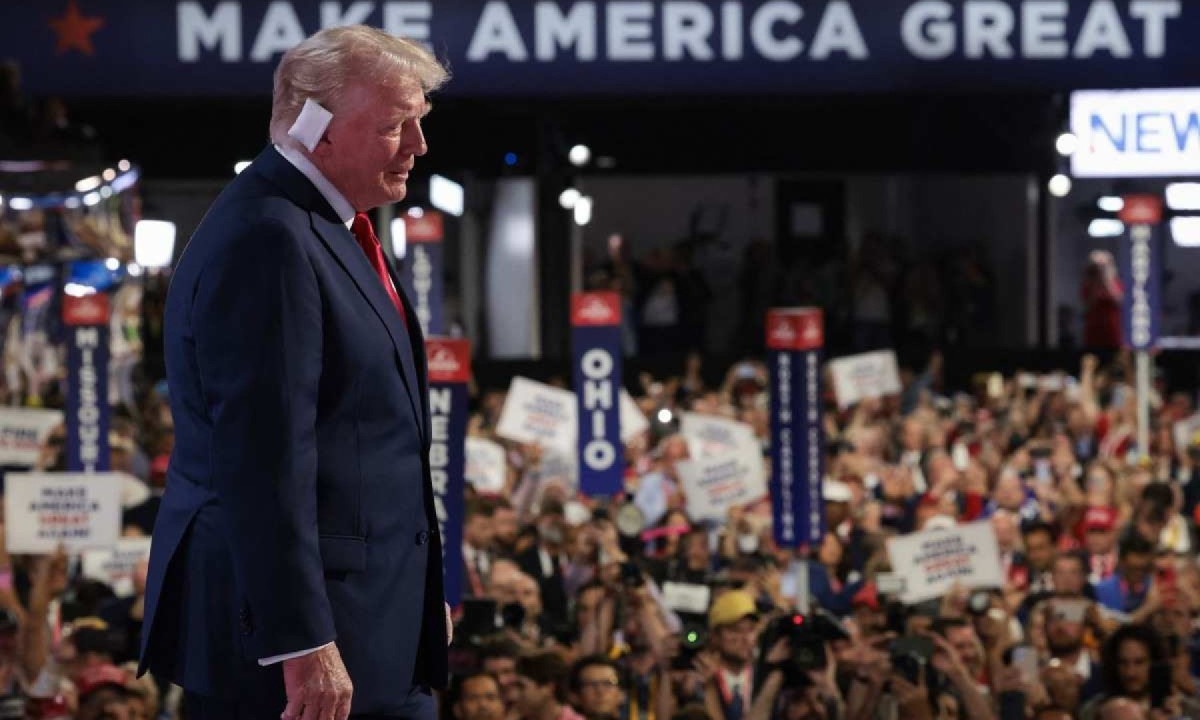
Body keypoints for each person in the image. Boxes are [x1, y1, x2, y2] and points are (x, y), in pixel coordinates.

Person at [139, 25, 452, 720]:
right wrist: (301, 642)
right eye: (398, 125)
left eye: (420, 123)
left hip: (370, 623)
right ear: (317, 127)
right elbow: (263, 459)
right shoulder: (271, 238)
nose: (419, 147)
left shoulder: (323, 224)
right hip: (305, 655)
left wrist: (419, 599)